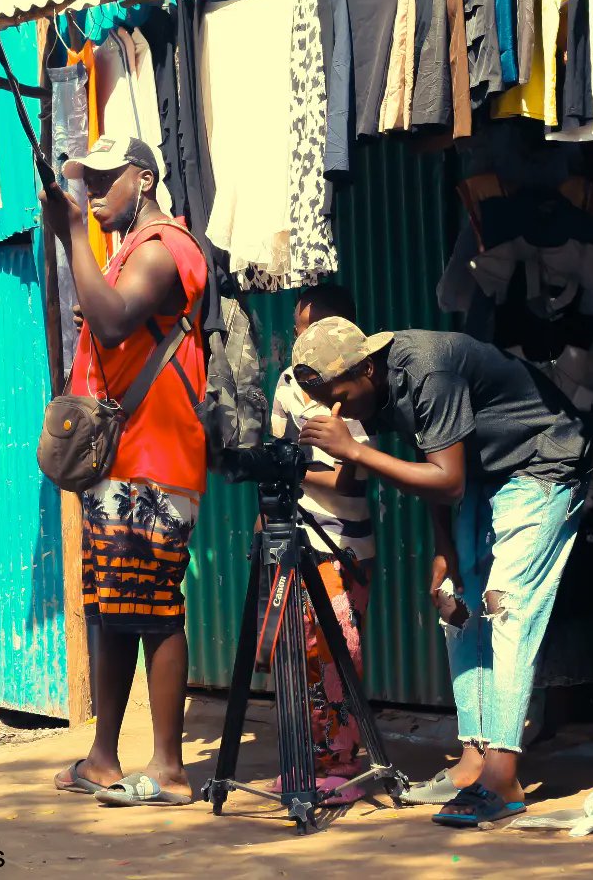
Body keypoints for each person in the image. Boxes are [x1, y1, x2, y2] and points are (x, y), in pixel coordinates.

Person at [292, 318, 593, 828]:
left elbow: (448, 480)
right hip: (484, 472)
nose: (334, 410)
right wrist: (444, 548)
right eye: (322, 402)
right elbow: (431, 454)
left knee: (507, 604)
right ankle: (473, 758)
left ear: (367, 366)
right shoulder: (376, 389)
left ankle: (503, 774)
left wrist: (354, 450)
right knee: (454, 603)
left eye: (338, 395)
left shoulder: (428, 371)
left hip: (542, 461)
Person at [41, 135, 208, 809]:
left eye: (107, 179)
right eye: (88, 180)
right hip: (124, 461)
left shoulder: (166, 246)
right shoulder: (127, 254)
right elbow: (112, 321)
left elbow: (111, 325)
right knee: (111, 611)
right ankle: (104, 758)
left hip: (155, 462)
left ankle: (168, 769)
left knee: (156, 609)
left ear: (143, 179)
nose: (94, 190)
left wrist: (69, 233)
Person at [270, 284, 375, 802]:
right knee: (296, 650)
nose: (300, 342)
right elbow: (276, 456)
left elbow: (351, 480)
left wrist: (297, 471)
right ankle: (308, 760)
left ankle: (340, 763)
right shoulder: (288, 383)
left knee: (336, 650)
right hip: (294, 534)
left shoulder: (351, 385)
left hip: (342, 545)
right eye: (296, 330)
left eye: (310, 330)